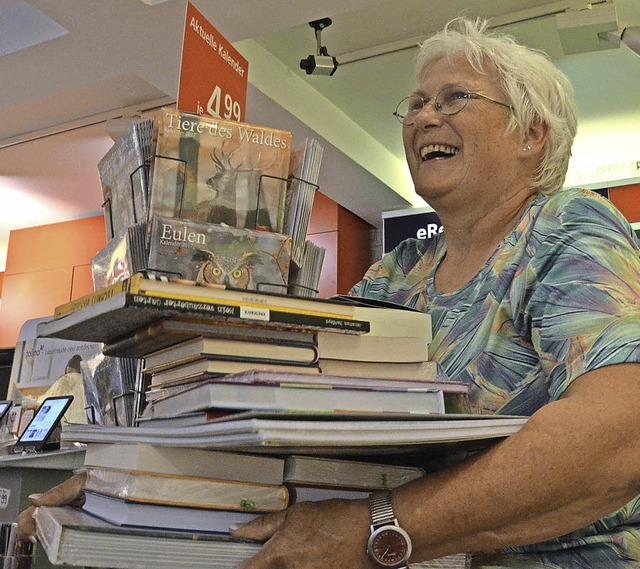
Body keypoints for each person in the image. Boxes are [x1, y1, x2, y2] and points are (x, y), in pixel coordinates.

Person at [18, 17, 640, 568]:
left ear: (532, 134)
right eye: (418, 103)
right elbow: (280, 387)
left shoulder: (567, 227)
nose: (424, 117)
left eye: (455, 98)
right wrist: (128, 481)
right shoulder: (401, 270)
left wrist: (380, 525)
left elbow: (620, 435)